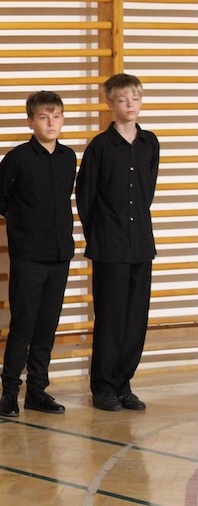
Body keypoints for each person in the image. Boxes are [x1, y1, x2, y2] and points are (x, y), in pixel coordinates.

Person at [77, 73, 159, 412]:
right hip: (109, 245)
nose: (130, 104)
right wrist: (101, 234)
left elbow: (146, 191)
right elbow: (86, 197)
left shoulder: (150, 143)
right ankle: (103, 387)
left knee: (136, 318)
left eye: (135, 98)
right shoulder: (100, 146)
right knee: (110, 317)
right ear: (110, 103)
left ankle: (124, 384)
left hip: (140, 243)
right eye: (123, 99)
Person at [0, 91, 76, 417]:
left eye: (56, 116)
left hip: (59, 254)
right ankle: (9, 392)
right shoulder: (18, 158)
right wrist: (24, 225)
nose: (51, 123)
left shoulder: (68, 157)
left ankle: (37, 391)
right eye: (43, 117)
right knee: (23, 323)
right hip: (28, 255)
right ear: (31, 121)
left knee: (47, 325)